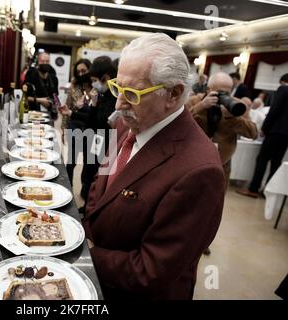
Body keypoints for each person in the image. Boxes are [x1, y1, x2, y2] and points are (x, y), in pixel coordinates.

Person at [83, 33, 225, 300]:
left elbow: (152, 271)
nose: (118, 103)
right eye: (117, 88)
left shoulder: (200, 171)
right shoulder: (130, 120)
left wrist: (88, 253)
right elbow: (100, 185)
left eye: (132, 94)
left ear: (173, 94)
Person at [60, 56, 117, 203]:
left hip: (103, 145)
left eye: (95, 80)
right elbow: (91, 121)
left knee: (96, 181)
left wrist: (93, 105)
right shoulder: (99, 94)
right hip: (92, 139)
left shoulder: (115, 97)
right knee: (87, 175)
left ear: (105, 77)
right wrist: (93, 105)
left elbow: (103, 123)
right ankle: (84, 206)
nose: (93, 84)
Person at [188, 72, 258, 182]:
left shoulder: (237, 105)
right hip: (192, 162)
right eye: (220, 92)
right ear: (208, 89)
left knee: (215, 198)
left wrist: (234, 118)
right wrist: (200, 107)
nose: (223, 96)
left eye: (227, 93)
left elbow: (253, 133)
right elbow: (177, 124)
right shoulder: (194, 101)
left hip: (221, 165)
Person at [236, 73, 288, 198]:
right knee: (276, 162)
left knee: (262, 160)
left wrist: (264, 128)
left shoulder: (283, 89)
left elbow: (274, 110)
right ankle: (269, 191)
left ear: (282, 81)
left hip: (275, 131)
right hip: (286, 135)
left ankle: (253, 188)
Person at [59, 58, 92, 186]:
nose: (81, 74)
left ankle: (85, 189)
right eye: (78, 71)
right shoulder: (73, 87)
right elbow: (66, 109)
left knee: (89, 161)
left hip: (90, 128)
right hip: (75, 126)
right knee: (71, 161)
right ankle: (68, 187)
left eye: (83, 70)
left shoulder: (95, 87)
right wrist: (63, 130)